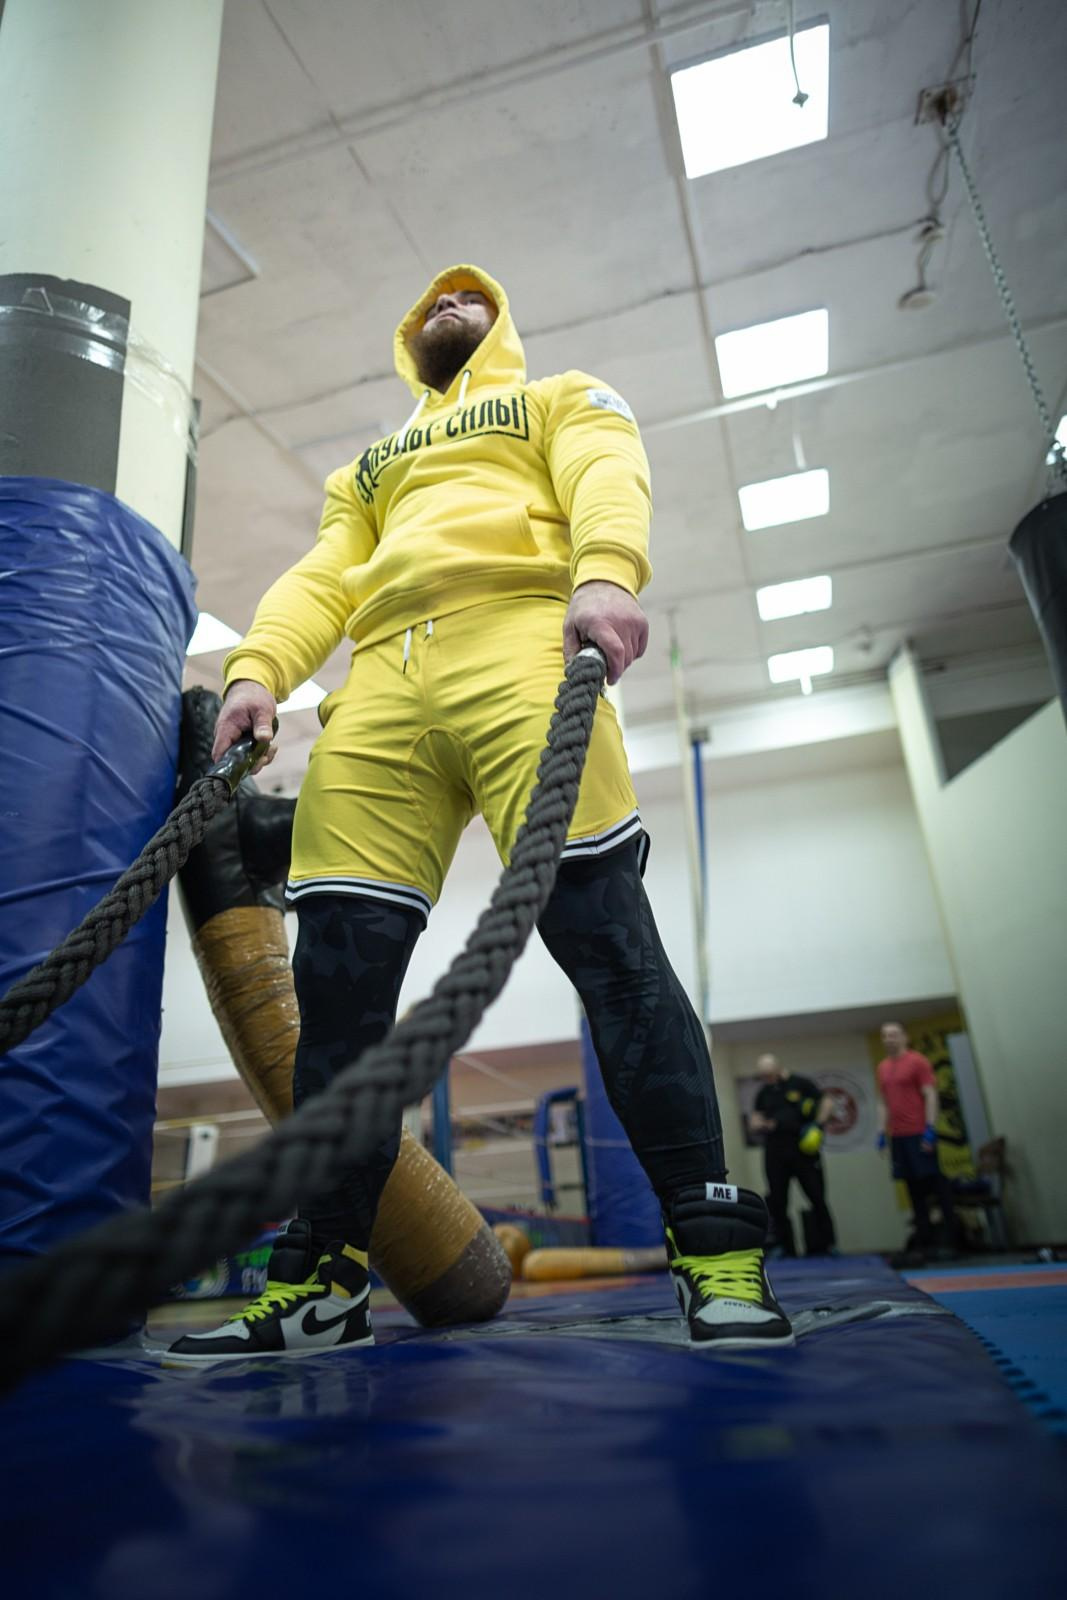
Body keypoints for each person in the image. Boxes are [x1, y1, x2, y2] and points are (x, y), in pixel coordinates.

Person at [167, 264, 793, 1362]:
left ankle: (710, 1247)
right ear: (410, 345)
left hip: (522, 646)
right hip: (380, 691)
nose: (445, 299)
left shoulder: (558, 395)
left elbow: (605, 469)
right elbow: (327, 571)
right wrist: (261, 665)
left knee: (603, 937)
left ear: (500, 321)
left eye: (470, 294)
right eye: (427, 303)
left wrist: (603, 572)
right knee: (337, 989)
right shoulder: (369, 466)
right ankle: (321, 1281)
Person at [875, 1021, 957, 1261]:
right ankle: (926, 1244)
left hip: (919, 1133)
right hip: (898, 1136)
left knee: (936, 1187)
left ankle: (952, 1241)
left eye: (893, 1035)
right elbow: (883, 1101)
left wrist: (930, 1128)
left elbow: (930, 1095)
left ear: (904, 1037)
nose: (889, 1039)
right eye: (884, 1036)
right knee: (913, 1191)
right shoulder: (883, 1067)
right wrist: (881, 1132)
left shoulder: (917, 1061)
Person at [748, 1054, 837, 1256]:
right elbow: (754, 1120)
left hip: (803, 1150)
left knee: (817, 1197)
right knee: (778, 1202)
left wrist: (818, 1126)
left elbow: (827, 1102)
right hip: (775, 1152)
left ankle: (829, 1245)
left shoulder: (801, 1083)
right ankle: (785, 1248)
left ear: (778, 1068)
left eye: (769, 1075)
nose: (767, 1079)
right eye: (763, 1076)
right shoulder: (763, 1092)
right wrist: (763, 1124)